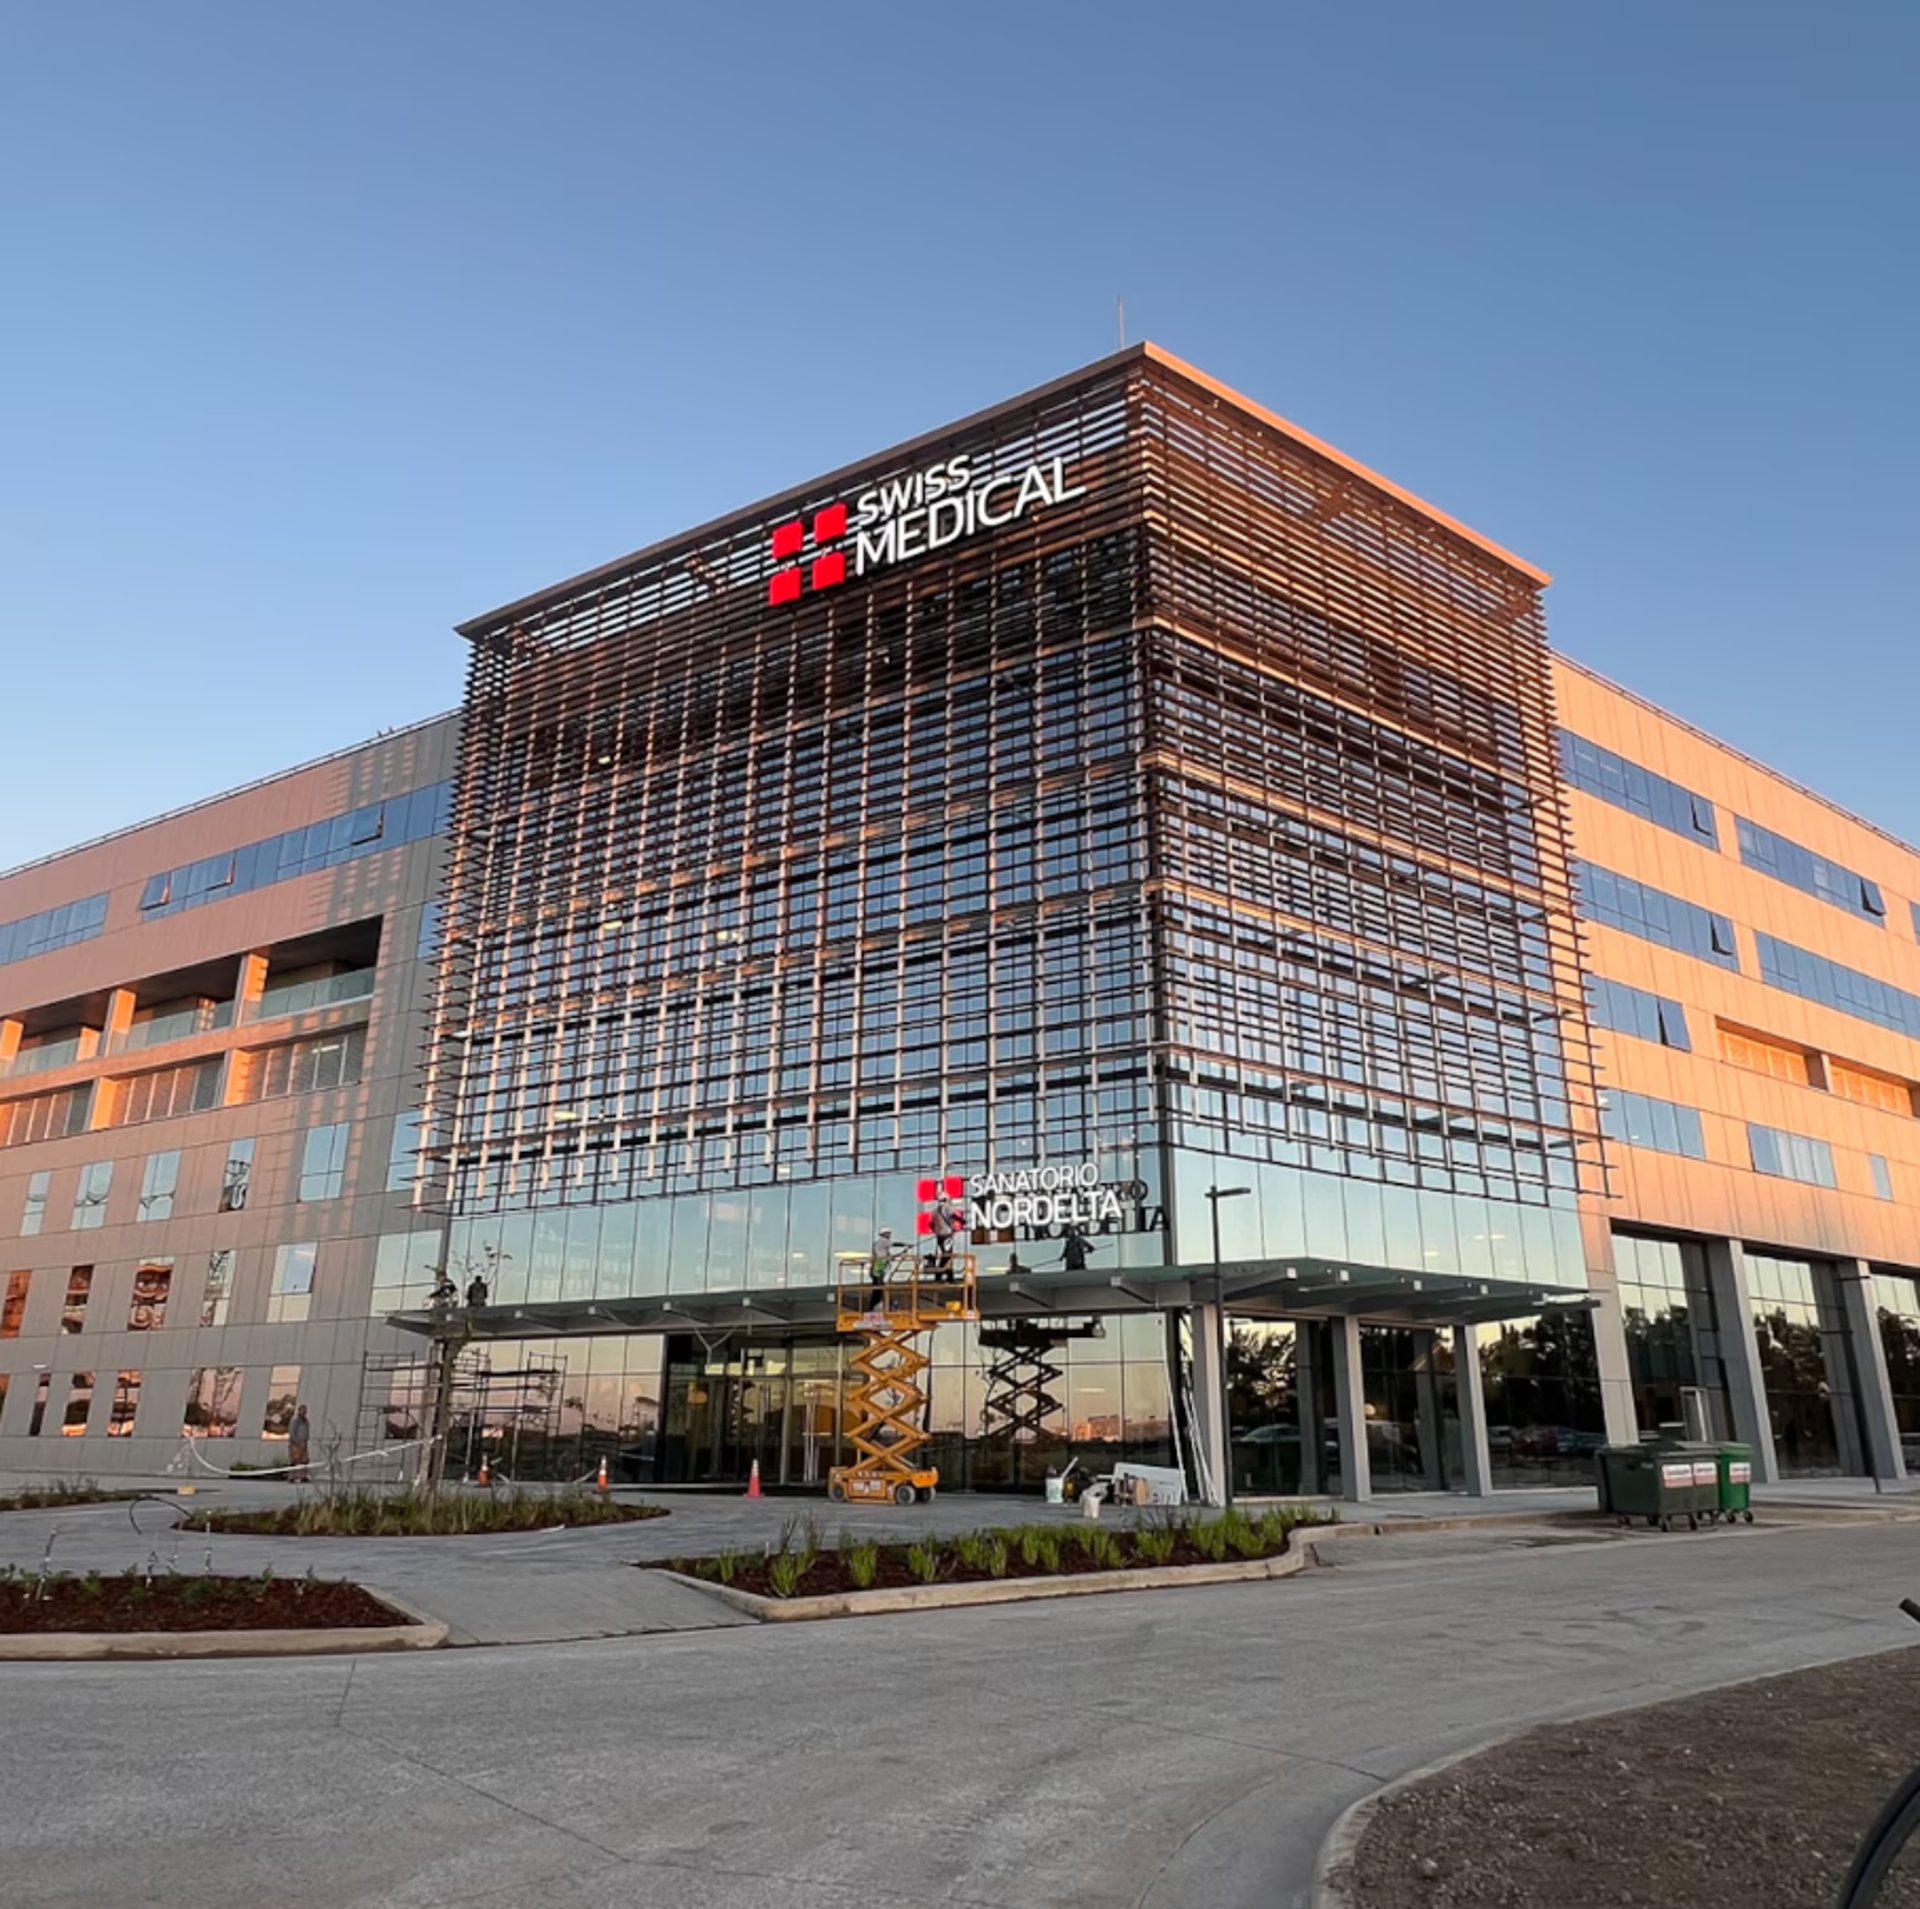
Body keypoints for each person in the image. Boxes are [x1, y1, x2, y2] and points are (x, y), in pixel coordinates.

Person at [928, 1194, 963, 1281]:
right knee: (947, 1255)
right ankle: (940, 1274)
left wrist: (936, 1231)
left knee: (946, 1255)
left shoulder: (934, 1211)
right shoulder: (947, 1207)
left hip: (939, 1236)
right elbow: (953, 1216)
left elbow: (930, 1224)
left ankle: (949, 1276)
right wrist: (962, 1221)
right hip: (947, 1236)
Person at [868, 1227, 895, 1310]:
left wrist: (890, 1257)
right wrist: (906, 1244)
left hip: (879, 1264)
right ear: (884, 1234)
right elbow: (893, 1244)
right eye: (888, 1233)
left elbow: (885, 1254)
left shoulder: (878, 1244)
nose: (889, 1235)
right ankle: (873, 1306)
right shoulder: (883, 1241)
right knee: (878, 1287)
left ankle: (874, 1305)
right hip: (879, 1264)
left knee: (878, 1286)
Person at [287, 1404, 311, 1485]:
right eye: (303, 1410)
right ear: (299, 1411)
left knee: (304, 1461)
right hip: (295, 1444)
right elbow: (292, 1432)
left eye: (305, 1410)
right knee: (294, 1461)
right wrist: (297, 1442)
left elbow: (307, 1431)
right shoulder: (295, 1421)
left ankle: (303, 1476)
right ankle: (292, 1477)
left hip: (304, 1444)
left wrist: (305, 1440)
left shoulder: (306, 1421)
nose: (304, 1412)